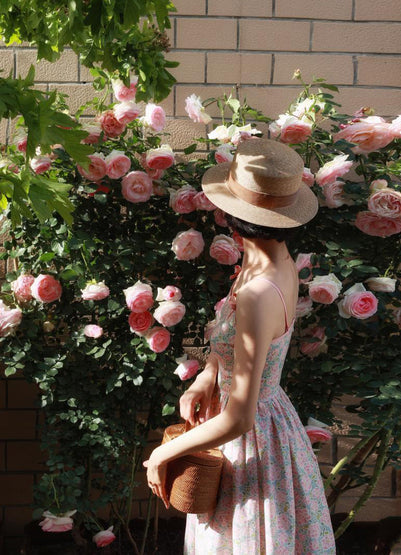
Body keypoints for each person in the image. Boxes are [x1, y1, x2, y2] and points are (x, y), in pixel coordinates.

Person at [144, 138, 336, 554]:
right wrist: (207, 377)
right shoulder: (272, 260)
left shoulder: (258, 292)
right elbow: (234, 340)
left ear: (235, 216)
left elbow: (240, 417)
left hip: (249, 441)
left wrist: (163, 455)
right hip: (267, 421)